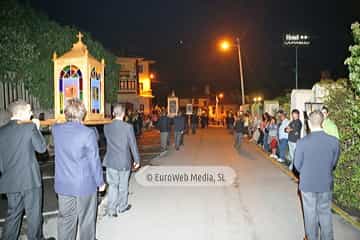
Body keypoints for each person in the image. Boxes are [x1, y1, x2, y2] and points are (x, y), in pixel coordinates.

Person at [0, 100, 54, 240]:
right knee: (34, 214)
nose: (31, 114)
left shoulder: (1, 131)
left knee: (13, 214)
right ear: (21, 112)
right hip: (30, 180)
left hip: (10, 181)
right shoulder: (29, 127)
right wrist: (35, 127)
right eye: (29, 111)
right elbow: (41, 148)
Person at [52, 98, 105, 240]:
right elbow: (94, 160)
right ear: (82, 113)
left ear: (66, 113)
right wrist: (100, 182)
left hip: (63, 184)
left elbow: (57, 124)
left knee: (66, 220)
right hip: (84, 184)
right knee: (86, 219)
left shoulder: (56, 130)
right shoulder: (87, 133)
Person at [294, 110, 340, 240]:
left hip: (308, 185)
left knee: (310, 215)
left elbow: (297, 166)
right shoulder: (334, 141)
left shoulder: (302, 142)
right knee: (325, 214)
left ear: (308, 123)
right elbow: (333, 163)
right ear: (323, 122)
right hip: (326, 183)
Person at [103, 104, 140, 217]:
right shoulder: (128, 127)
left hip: (110, 160)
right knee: (123, 186)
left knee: (113, 185)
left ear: (114, 113)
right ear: (124, 114)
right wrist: (137, 159)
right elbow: (132, 145)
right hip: (124, 161)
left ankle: (111, 210)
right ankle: (122, 207)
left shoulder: (106, 126)